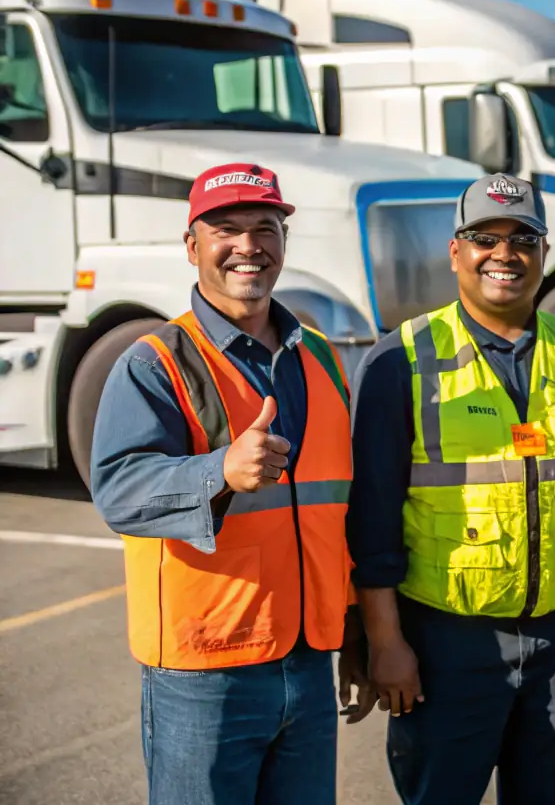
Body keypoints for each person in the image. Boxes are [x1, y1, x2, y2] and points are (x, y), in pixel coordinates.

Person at [346, 173, 555, 805]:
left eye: (523, 238)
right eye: (485, 237)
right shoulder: (400, 360)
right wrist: (384, 639)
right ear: (456, 252)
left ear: (542, 253)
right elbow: (370, 516)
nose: (504, 254)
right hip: (447, 640)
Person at [90, 162, 367, 805]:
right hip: (204, 671)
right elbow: (118, 490)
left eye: (265, 228)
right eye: (227, 229)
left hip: (307, 656)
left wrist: (354, 628)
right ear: (194, 247)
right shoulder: (154, 362)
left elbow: (335, 510)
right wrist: (221, 472)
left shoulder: (321, 358)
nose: (249, 246)